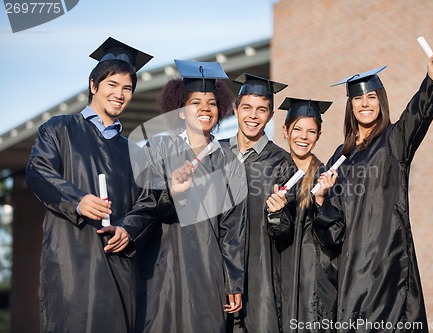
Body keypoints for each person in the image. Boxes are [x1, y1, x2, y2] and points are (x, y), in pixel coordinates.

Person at [25, 37, 153, 332]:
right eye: (112, 85)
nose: (120, 94)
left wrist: (128, 229)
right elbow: (38, 170)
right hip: (70, 259)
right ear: (93, 85)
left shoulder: (134, 151)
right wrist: (78, 200)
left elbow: (147, 204)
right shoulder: (59, 130)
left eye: (127, 88)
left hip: (118, 266)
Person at [327, 54, 433, 332]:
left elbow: (418, 113)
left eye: (372, 97)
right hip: (351, 268)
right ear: (350, 107)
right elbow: (333, 224)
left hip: (389, 259)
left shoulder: (395, 140)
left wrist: (432, 80)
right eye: (359, 99)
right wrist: (319, 199)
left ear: (381, 102)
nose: (365, 104)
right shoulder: (340, 156)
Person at [121, 60, 248, 333]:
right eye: (195, 103)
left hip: (208, 268)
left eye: (212, 103)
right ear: (180, 111)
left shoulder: (229, 162)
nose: (205, 109)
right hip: (163, 264)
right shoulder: (158, 148)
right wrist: (171, 193)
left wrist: (233, 282)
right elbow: (145, 205)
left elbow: (233, 229)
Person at [220, 73, 296, 333]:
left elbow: (287, 231)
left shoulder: (282, 162)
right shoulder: (214, 154)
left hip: (260, 277)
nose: (253, 116)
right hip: (216, 275)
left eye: (261, 110)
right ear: (235, 109)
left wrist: (277, 215)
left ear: (271, 115)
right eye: (247, 108)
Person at [274, 98, 344, 332]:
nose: (303, 137)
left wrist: (321, 199)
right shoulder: (271, 171)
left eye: (311, 131)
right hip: (278, 276)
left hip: (314, 281)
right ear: (285, 130)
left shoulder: (326, 176)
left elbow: (335, 237)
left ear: (319, 135)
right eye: (298, 129)